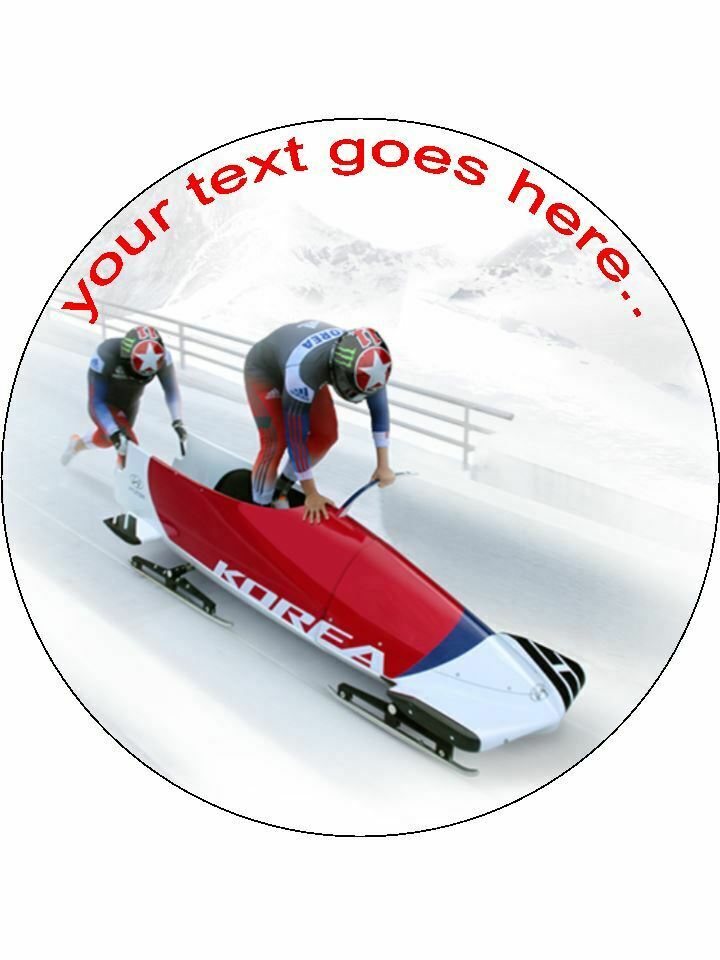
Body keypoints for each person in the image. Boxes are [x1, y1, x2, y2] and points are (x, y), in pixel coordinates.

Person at [244, 321, 395, 522]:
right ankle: (259, 511)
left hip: (300, 361)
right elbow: (296, 437)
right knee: (276, 441)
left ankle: (280, 491)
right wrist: (311, 493)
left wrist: (383, 465)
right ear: (336, 371)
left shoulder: (371, 364)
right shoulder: (305, 372)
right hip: (266, 372)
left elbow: (379, 411)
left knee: (326, 435)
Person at [61, 325, 187, 466]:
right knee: (127, 446)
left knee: (107, 440)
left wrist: (177, 421)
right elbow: (96, 401)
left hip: (130, 403)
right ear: (127, 357)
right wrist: (113, 431)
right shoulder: (106, 354)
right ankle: (129, 472)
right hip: (104, 401)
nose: (140, 376)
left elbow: (171, 391)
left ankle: (77, 445)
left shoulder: (163, 358)